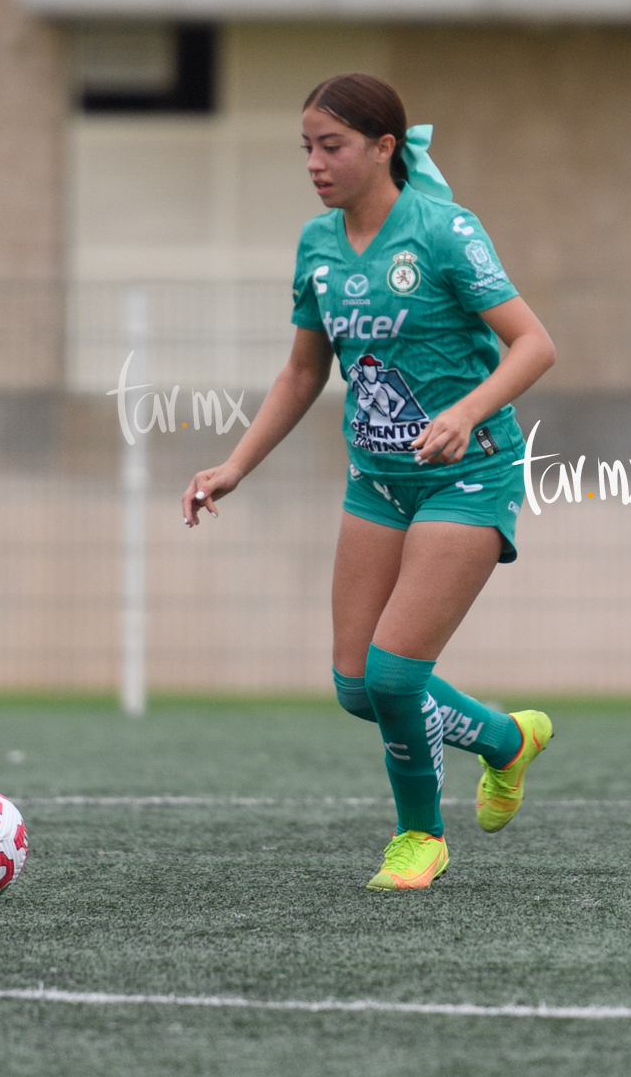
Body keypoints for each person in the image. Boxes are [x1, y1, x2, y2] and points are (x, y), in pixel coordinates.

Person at [181, 74, 558, 890]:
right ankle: (504, 739)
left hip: (470, 474)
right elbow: (301, 372)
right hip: (376, 484)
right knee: (357, 686)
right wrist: (234, 465)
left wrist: (465, 411)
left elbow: (534, 344)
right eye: (307, 148)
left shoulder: (445, 231)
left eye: (333, 146)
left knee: (395, 676)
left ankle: (420, 836)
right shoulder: (318, 246)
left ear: (385, 147)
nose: (315, 163)